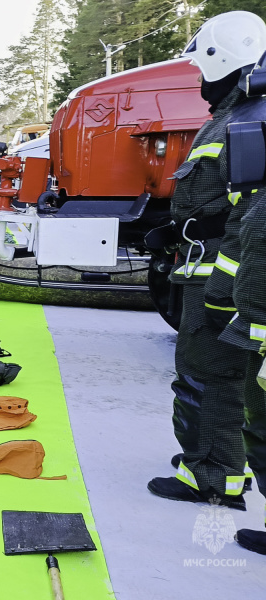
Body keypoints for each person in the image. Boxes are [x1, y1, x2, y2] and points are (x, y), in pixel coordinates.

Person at [146, 11, 266, 510]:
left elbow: (249, 221)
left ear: (225, 62)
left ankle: (212, 478)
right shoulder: (236, 119)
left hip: (218, 285)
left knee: (208, 378)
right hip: (207, 273)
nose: (199, 83)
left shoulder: (247, 124)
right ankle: (221, 472)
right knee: (221, 381)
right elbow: (222, 203)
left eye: (203, 71)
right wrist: (177, 230)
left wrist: (225, 294)